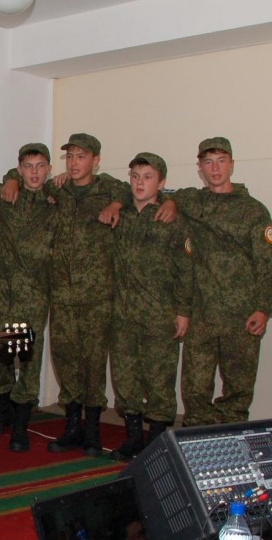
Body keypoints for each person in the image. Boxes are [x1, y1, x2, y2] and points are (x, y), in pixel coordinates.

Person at [1, 133, 129, 456]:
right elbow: (25, 173)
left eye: (81, 157)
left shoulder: (109, 190)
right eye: (70, 156)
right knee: (67, 361)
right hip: (60, 296)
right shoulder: (57, 190)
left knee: (94, 364)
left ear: (95, 161)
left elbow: (134, 191)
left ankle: (92, 431)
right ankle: (72, 427)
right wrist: (13, 179)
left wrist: (115, 203)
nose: (74, 163)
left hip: (96, 296)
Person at [170, 137, 272, 426]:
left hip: (240, 317)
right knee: (195, 391)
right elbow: (159, 192)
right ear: (200, 167)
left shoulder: (253, 211)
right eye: (208, 162)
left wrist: (263, 309)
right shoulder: (192, 200)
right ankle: (195, 451)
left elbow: (267, 264)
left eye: (221, 160)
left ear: (232, 165)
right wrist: (171, 204)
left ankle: (232, 453)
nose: (215, 168)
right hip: (201, 315)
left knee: (238, 392)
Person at [108, 152, 191, 461]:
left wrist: (183, 311)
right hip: (124, 313)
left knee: (159, 379)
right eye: (135, 176)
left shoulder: (172, 219)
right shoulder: (121, 214)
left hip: (160, 313)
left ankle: (156, 442)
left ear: (162, 183)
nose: (140, 183)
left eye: (148, 177)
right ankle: (132, 438)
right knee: (125, 378)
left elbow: (185, 269)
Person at [0, 143, 55, 451]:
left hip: (35, 296)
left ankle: (22, 427)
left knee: (28, 359)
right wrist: (11, 178)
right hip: (1, 294)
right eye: (28, 167)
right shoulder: (3, 196)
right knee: (0, 356)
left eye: (41, 166)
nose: (35, 172)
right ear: (19, 168)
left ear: (49, 169)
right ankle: (1, 417)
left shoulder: (57, 202)